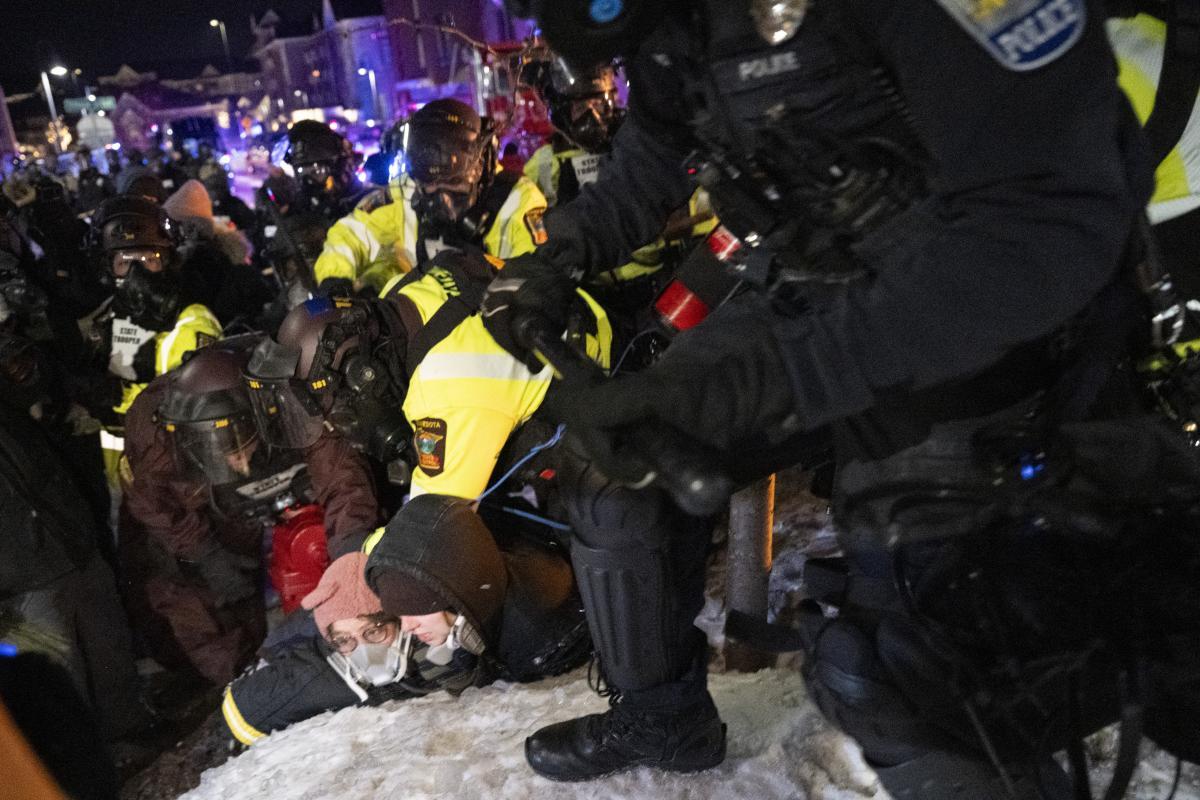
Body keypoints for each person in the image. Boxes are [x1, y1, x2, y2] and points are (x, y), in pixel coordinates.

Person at [481, 0, 1198, 795]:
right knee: (619, 472)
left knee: (906, 673)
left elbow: (1045, 226)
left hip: (976, 313)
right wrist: (562, 255)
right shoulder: (679, 23)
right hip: (812, 284)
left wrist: (779, 378)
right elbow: (655, 148)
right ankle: (660, 718)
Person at [221, 497, 589, 746]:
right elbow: (248, 706)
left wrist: (460, 663)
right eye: (345, 641)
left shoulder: (530, 625)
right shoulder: (335, 644)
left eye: (374, 631)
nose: (363, 652)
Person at [120, 341, 380, 685]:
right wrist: (205, 553)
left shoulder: (291, 394)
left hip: (247, 493)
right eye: (225, 453)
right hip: (194, 506)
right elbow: (152, 502)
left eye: (242, 445)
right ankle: (245, 683)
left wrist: (350, 553)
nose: (239, 463)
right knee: (196, 595)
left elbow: (341, 477)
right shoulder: (153, 431)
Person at [310, 99, 548, 297]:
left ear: (479, 167)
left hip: (491, 323)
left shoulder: (518, 199)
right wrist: (334, 281)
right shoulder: (406, 190)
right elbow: (351, 233)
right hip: (420, 320)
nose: (442, 199)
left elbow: (537, 276)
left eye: (454, 183)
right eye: (431, 185)